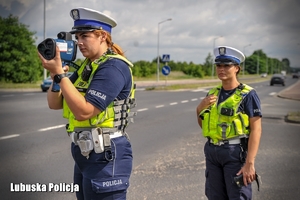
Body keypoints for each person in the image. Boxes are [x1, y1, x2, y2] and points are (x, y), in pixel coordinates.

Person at [38, 7, 136, 200]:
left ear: (102, 36)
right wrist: (57, 77)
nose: (79, 43)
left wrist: (60, 75)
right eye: (77, 38)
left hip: (106, 153)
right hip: (85, 152)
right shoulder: (87, 66)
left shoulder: (113, 67)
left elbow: (85, 112)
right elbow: (55, 104)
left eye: (85, 36)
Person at [196, 46, 262, 200]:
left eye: (227, 65)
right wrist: (199, 108)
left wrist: (249, 163)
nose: (221, 69)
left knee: (237, 196)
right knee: (214, 196)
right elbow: (205, 124)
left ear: (237, 68)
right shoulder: (212, 93)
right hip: (212, 151)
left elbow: (256, 130)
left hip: (234, 153)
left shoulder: (248, 95)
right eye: (219, 65)